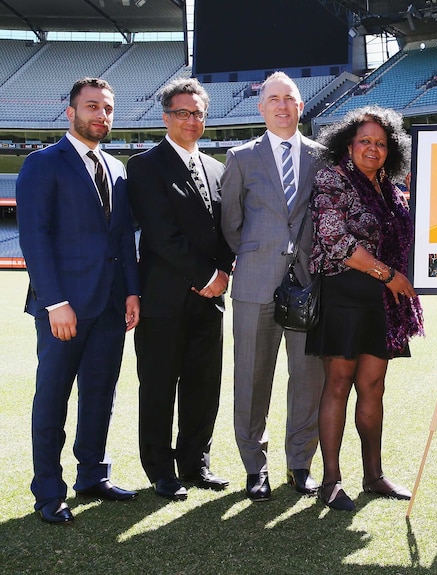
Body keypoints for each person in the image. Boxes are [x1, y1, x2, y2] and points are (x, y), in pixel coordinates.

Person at [16, 77, 140, 524]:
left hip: (109, 305)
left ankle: (92, 474)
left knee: (100, 395)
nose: (101, 116)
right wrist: (54, 302)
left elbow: (123, 236)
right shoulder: (43, 163)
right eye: (92, 107)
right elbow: (34, 236)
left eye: (107, 108)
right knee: (52, 398)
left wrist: (131, 291)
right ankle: (49, 491)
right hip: (63, 308)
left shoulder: (118, 168)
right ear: (71, 113)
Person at [308, 105, 424, 511]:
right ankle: (331, 481)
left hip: (381, 304)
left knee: (373, 386)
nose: (373, 149)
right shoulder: (332, 179)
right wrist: (389, 275)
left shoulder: (391, 190)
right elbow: (336, 242)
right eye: (365, 141)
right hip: (344, 295)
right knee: (338, 384)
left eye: (381, 142)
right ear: (348, 144)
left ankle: (373, 476)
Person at [127, 78, 234, 501]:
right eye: (182, 113)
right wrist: (207, 277)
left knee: (203, 383)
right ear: (165, 116)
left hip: (211, 302)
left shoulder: (217, 168)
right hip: (164, 300)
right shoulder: (145, 165)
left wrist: (224, 271)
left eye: (198, 113)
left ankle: (195, 462)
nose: (192, 120)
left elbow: (227, 230)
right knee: (158, 385)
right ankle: (160, 469)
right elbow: (161, 234)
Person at [221, 72, 326, 501]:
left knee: (307, 379)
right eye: (274, 99)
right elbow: (230, 223)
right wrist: (258, 256)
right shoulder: (241, 157)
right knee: (251, 377)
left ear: (302, 107)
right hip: (254, 284)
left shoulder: (323, 157)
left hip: (308, 284)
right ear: (261, 107)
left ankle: (299, 464)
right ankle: (254, 467)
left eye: (290, 99)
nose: (282, 106)